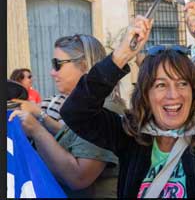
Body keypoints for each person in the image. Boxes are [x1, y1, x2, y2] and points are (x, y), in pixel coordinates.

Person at [59, 2, 195, 198]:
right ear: (146, 95)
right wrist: (121, 55)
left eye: (182, 84)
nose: (173, 95)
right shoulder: (130, 136)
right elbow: (76, 112)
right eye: (160, 85)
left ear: (193, 90)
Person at [9, 34, 125, 198]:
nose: (52, 72)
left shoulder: (106, 109)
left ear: (84, 66)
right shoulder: (87, 107)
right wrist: (38, 114)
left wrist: (37, 130)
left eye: (57, 64)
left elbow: (79, 177)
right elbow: (75, 140)